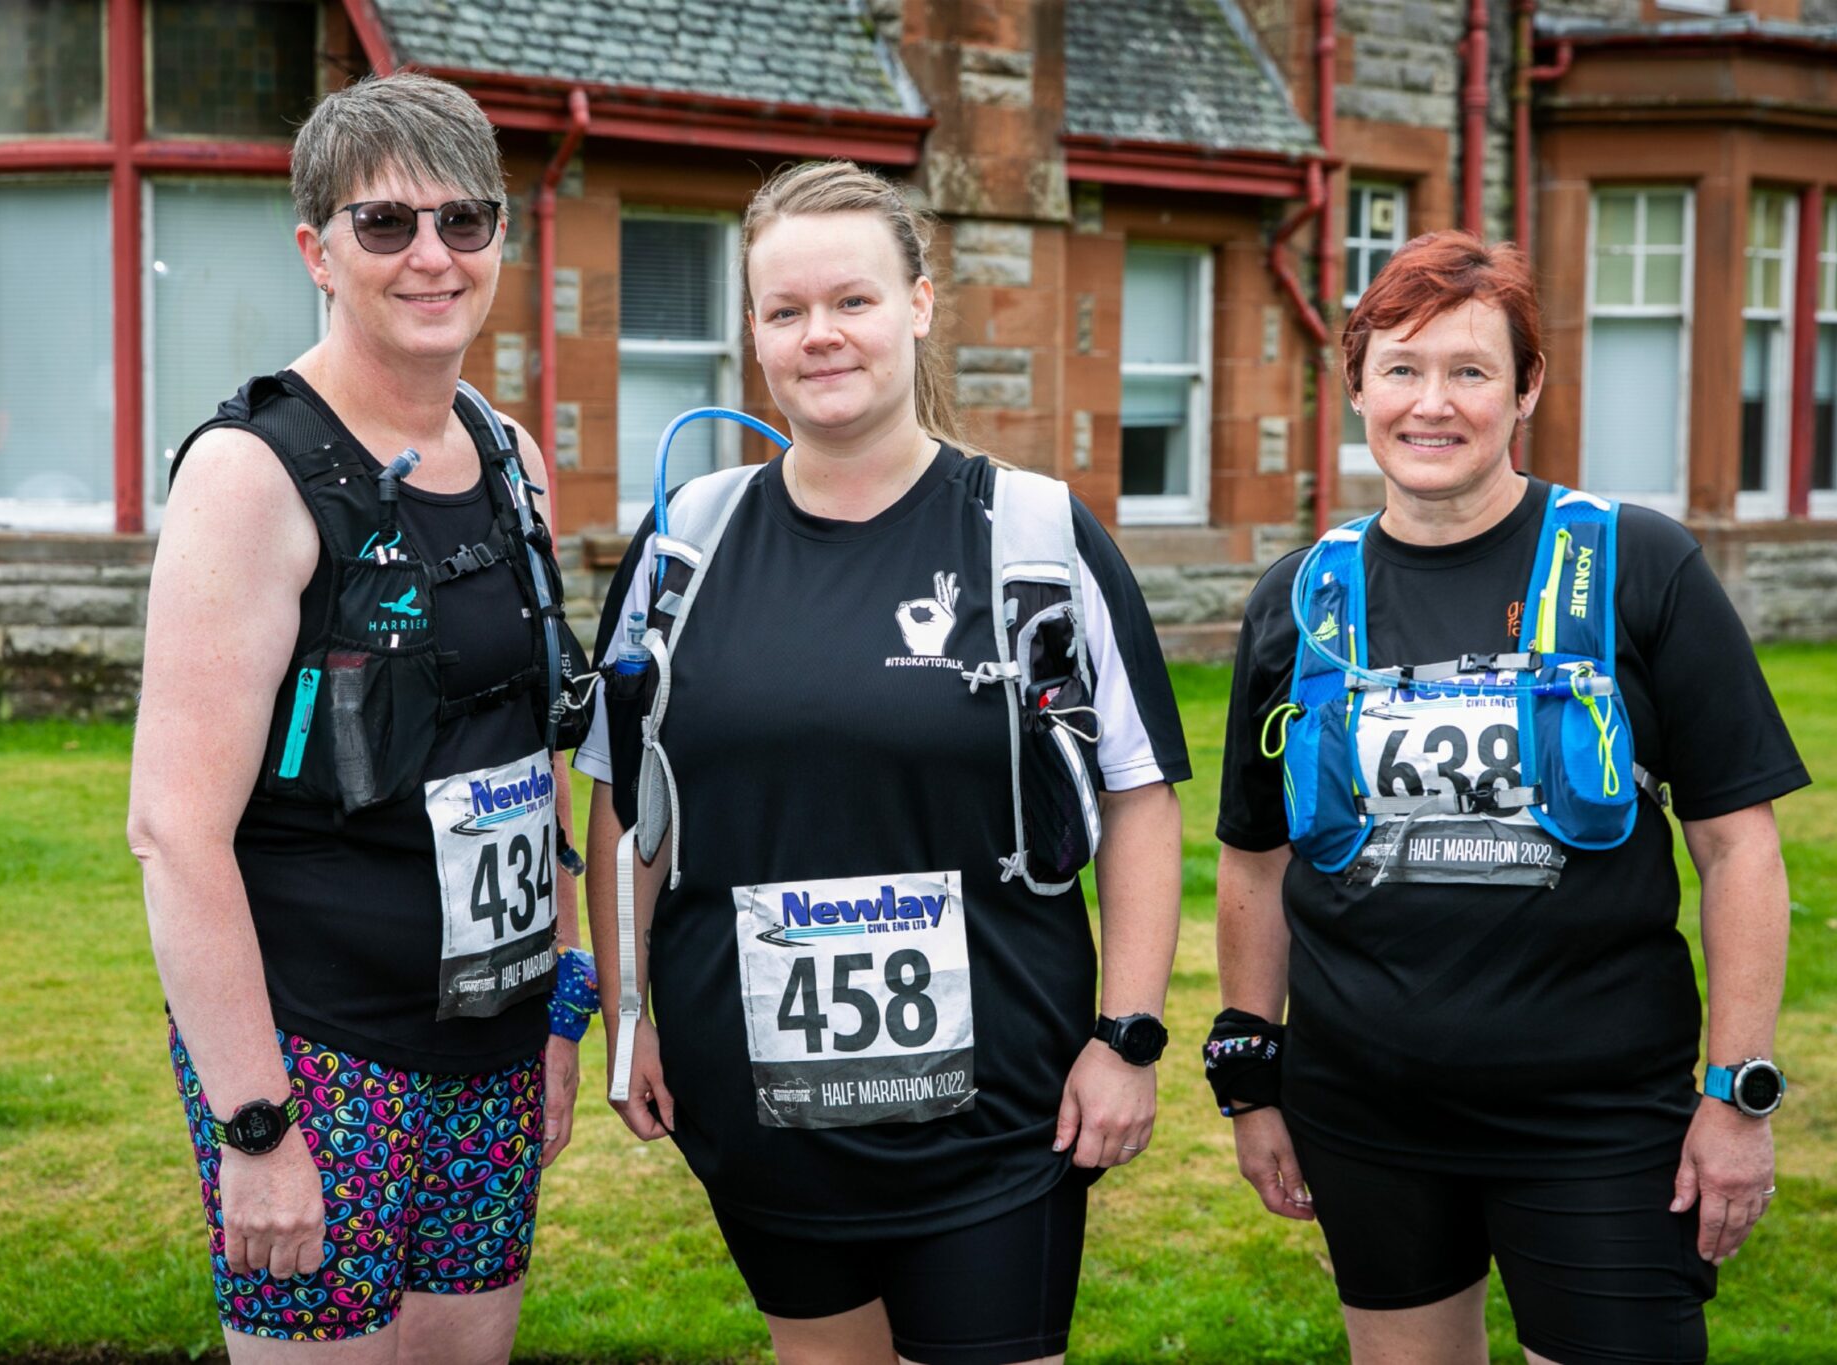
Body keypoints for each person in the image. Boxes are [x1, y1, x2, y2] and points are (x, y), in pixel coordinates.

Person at [574, 160, 1189, 1365]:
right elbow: (624, 805)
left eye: (851, 301)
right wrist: (630, 1013)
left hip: (999, 1110)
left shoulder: (1033, 534)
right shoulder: (684, 543)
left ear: (916, 302)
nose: (820, 337)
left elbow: (1138, 797)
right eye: (785, 311)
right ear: (751, 332)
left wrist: (1125, 1037)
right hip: (755, 1103)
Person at [1211, 230, 1807, 1365]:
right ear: (1355, 385)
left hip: (1592, 1116)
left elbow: (1737, 849)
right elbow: (1254, 858)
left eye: (1469, 371)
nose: (1430, 404)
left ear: (1524, 387)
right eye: (1400, 368)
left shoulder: (1639, 563)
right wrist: (1251, 1077)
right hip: (1363, 1111)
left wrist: (1735, 1097)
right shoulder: (1298, 596)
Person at [129, 72, 594, 1361]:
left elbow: (525, 753)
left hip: (490, 1047)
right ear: (316, 251)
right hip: (320, 1053)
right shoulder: (251, 474)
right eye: (385, 225)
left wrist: (559, 1001)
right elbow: (173, 830)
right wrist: (256, 1125)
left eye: (466, 219)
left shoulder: (508, 455)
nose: (432, 256)